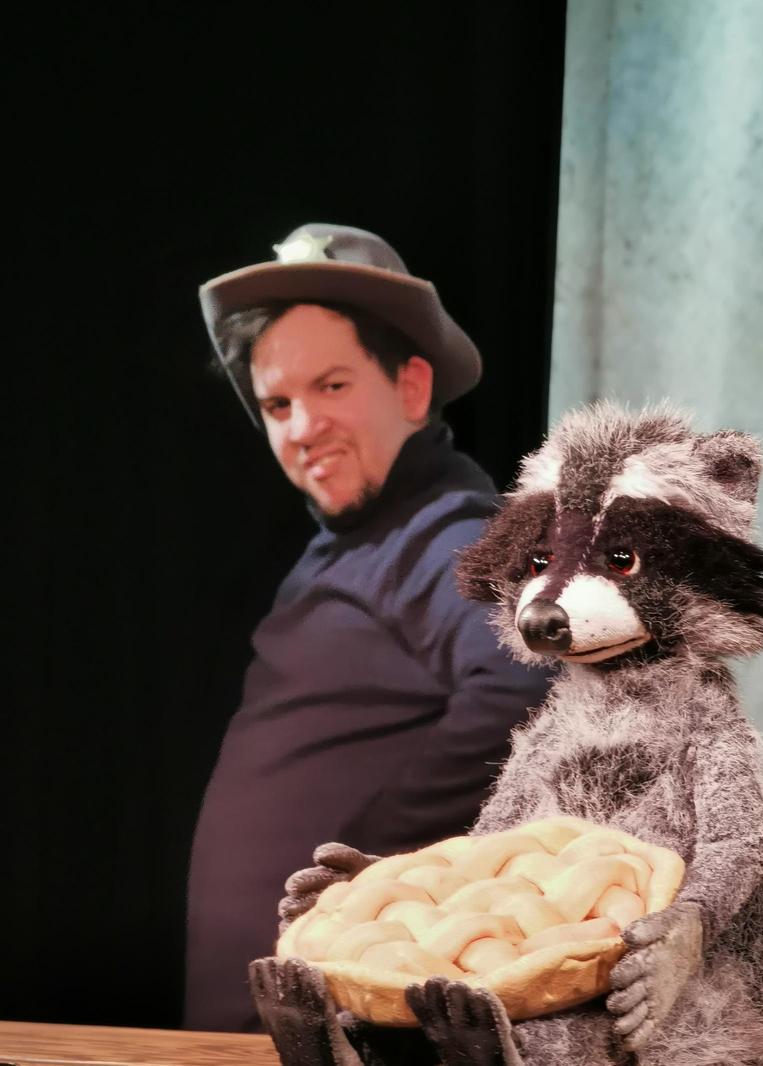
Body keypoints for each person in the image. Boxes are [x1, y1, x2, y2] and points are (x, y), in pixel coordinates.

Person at [184, 223, 550, 1032]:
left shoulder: (444, 528)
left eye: (332, 386)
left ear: (412, 389)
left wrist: (360, 874)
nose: (301, 427)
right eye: (278, 404)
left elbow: (520, 687)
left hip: (326, 1024)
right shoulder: (358, 542)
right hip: (267, 1024)